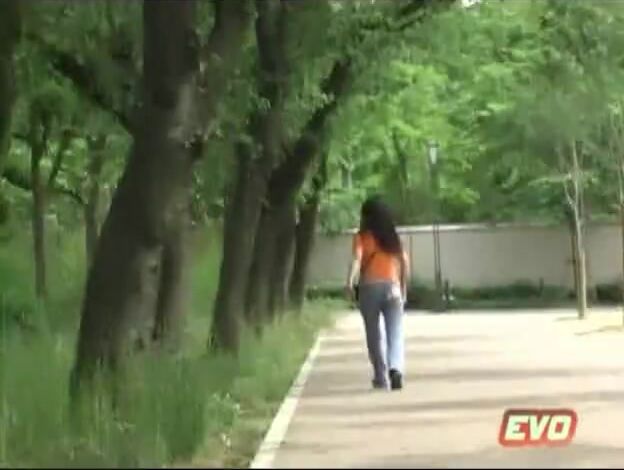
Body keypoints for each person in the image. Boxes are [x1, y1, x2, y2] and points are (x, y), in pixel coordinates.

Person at [346, 196, 410, 391]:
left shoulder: (361, 237)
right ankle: (395, 368)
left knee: (374, 335)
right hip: (393, 287)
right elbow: (404, 264)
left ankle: (380, 376)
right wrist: (403, 288)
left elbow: (357, 260)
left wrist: (350, 281)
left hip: (370, 288)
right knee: (395, 332)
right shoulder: (393, 238)